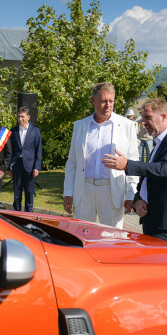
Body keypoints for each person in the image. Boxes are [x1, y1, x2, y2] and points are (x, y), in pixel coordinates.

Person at [102, 98, 167, 242]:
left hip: (165, 216)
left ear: (163, 117)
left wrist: (127, 165)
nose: (143, 122)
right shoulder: (160, 140)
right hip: (150, 213)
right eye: (143, 118)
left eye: (148, 117)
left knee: (160, 261)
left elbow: (164, 169)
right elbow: (148, 177)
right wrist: (138, 199)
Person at [63, 82, 139, 229]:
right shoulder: (80, 126)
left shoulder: (126, 126)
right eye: (104, 101)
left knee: (111, 240)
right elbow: (72, 162)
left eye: (111, 101)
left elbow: (132, 162)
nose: (108, 105)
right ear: (93, 101)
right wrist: (68, 192)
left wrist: (131, 194)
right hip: (83, 191)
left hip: (112, 192)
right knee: (81, 235)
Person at [9, 106, 42, 212]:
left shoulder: (35, 131)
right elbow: (10, 151)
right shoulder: (13, 131)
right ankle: (16, 215)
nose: (20, 119)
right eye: (18, 117)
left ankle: (28, 216)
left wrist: (37, 167)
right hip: (17, 165)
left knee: (29, 192)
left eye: (22, 117)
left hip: (30, 166)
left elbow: (39, 150)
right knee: (17, 193)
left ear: (28, 117)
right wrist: (10, 167)